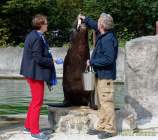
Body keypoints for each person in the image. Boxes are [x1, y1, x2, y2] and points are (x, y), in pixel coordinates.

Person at [79, 13, 118, 139]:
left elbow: (109, 59)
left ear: (102, 24)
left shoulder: (108, 39)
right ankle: (102, 126)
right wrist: (85, 19)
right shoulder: (104, 33)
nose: (97, 23)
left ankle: (110, 129)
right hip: (100, 74)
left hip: (105, 76)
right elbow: (94, 25)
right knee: (101, 102)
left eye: (98, 21)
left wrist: (92, 62)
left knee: (107, 102)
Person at [20, 14, 56, 140]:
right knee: (37, 101)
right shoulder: (36, 38)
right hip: (34, 73)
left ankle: (28, 127)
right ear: (40, 24)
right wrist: (53, 61)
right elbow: (38, 58)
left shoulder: (36, 35)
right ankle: (35, 131)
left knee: (35, 101)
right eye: (46, 23)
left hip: (32, 72)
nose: (47, 25)